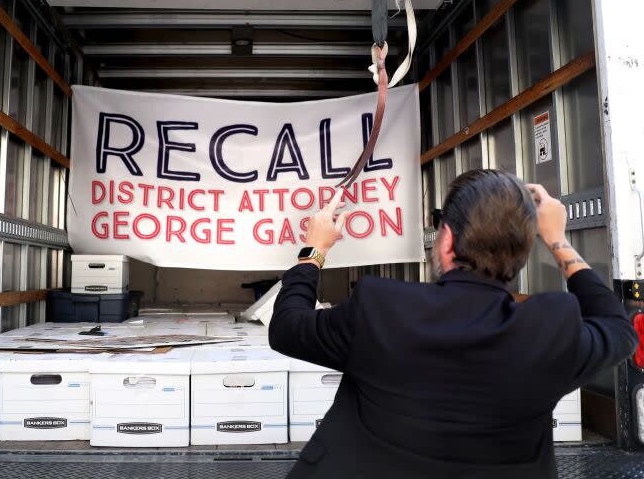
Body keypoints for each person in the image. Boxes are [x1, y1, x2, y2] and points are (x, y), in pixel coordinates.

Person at [269, 169, 637, 479]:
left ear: (446, 241)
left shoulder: (380, 306)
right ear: (526, 250)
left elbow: (287, 326)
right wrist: (557, 239)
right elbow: (618, 329)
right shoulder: (550, 329)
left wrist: (314, 250)